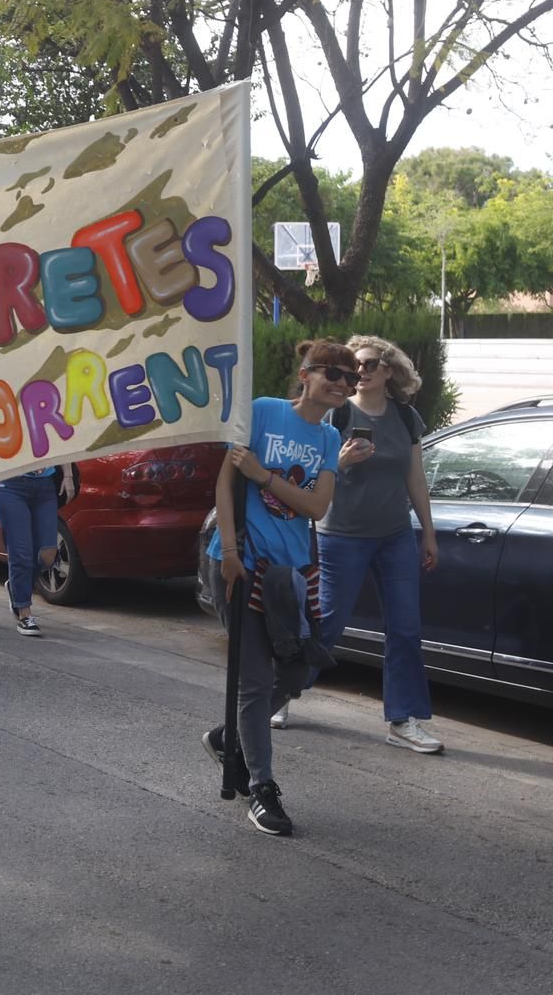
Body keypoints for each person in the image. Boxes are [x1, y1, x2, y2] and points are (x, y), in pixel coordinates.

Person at [200, 339, 353, 837]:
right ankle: (262, 789)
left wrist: (263, 475)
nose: (342, 383)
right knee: (256, 682)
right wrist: (228, 551)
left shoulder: (330, 437)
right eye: (332, 372)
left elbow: (315, 508)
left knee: (299, 669)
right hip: (240, 564)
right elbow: (225, 483)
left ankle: (229, 737)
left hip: (288, 575)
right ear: (306, 372)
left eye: (349, 378)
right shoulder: (262, 411)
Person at [284, 335, 443, 753]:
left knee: (406, 628)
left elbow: (416, 478)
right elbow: (313, 473)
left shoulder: (406, 418)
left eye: (370, 365)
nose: (361, 373)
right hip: (342, 536)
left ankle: (402, 720)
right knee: (328, 625)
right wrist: (341, 461)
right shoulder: (335, 415)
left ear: (389, 370)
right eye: (356, 367)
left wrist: (427, 532)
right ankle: (281, 692)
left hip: (394, 535)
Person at [0, 466, 69, 637]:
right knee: (21, 554)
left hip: (45, 487)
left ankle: (16, 586)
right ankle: (25, 613)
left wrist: (68, 475)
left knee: (48, 556)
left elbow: (62, 440)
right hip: (11, 486)